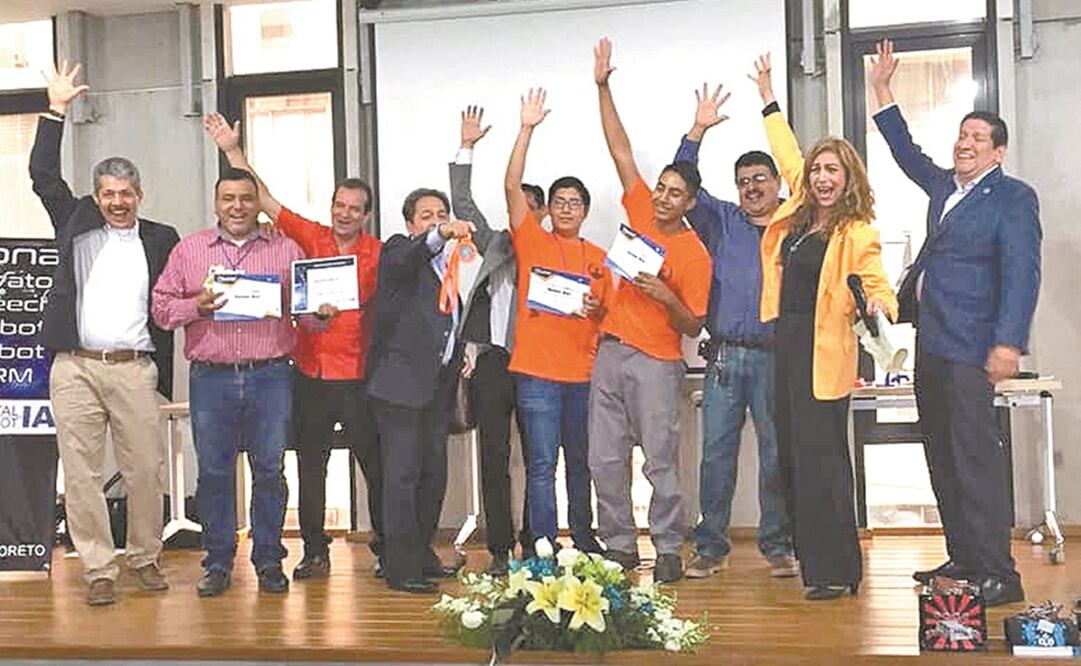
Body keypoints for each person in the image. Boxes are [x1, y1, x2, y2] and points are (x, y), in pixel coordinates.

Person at [868, 40, 1040, 606]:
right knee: (940, 456)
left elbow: (1022, 274)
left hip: (973, 349)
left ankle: (1000, 573)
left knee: (975, 462)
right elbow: (905, 153)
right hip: (933, 347)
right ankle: (964, 556)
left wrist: (1009, 342)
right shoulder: (945, 186)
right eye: (961, 135)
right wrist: (883, 91)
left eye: (976, 139)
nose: (964, 144)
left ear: (998, 152)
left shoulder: (1013, 198)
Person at [203, 112, 385, 581]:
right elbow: (261, 197)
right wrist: (230, 150)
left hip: (359, 374)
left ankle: (387, 547)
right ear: (332, 207)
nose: (345, 213)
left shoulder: (380, 253)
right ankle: (315, 551)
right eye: (339, 205)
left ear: (366, 214)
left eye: (354, 208)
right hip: (308, 371)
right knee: (310, 467)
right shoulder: (310, 236)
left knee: (375, 465)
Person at [29, 61, 179, 607]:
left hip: (134, 367)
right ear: (95, 196)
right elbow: (43, 174)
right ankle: (97, 567)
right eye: (108, 193)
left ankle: (144, 557)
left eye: (127, 192)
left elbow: (177, 296)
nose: (118, 201)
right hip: (74, 366)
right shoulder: (75, 222)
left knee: (145, 469)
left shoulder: (162, 237)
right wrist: (55, 110)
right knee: (82, 471)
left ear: (140, 194)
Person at [751, 53, 897, 600]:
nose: (821, 177)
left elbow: (878, 286)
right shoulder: (798, 208)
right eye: (817, 170)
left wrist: (880, 310)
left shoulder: (858, 231)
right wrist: (767, 96)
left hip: (824, 352)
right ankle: (818, 567)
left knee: (824, 463)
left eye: (832, 170)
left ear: (849, 177)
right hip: (786, 347)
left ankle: (839, 569)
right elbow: (787, 152)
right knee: (792, 460)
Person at [592, 39, 713, 583]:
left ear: (689, 203)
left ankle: (667, 546)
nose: (663, 197)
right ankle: (618, 544)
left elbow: (695, 324)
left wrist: (668, 298)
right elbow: (620, 150)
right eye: (661, 188)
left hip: (659, 363)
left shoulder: (694, 253)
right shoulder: (639, 206)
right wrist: (602, 86)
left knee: (661, 462)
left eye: (674, 193)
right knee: (604, 461)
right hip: (610, 354)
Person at [152, 167, 304, 598]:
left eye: (245, 198)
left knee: (270, 472)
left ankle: (270, 560)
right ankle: (218, 562)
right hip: (211, 380)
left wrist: (320, 312)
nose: (237, 207)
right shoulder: (189, 250)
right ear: (216, 203)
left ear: (258, 203)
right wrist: (196, 305)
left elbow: (306, 315)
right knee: (215, 474)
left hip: (271, 375)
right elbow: (162, 309)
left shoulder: (286, 249)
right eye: (228, 199)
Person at [672, 84, 798, 580]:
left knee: (775, 457)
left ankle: (778, 545)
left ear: (776, 184)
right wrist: (697, 130)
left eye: (760, 179)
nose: (751, 188)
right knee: (716, 456)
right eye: (743, 181)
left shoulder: (795, 220)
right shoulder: (720, 219)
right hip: (724, 357)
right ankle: (710, 546)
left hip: (775, 358)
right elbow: (682, 183)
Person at [504, 89, 609, 558]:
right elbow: (511, 187)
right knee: (542, 465)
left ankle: (584, 541)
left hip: (584, 377)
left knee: (581, 464)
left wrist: (595, 312)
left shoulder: (601, 259)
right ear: (548, 210)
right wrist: (526, 129)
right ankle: (544, 546)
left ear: (585, 211)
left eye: (575, 202)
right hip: (537, 375)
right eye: (559, 201)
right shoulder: (532, 241)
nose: (566, 208)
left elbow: (610, 314)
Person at [365, 189, 474, 594]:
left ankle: (421, 553)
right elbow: (409, 256)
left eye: (441, 214)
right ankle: (399, 566)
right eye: (426, 215)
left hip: (437, 387)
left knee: (434, 477)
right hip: (399, 387)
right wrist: (442, 232)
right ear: (411, 224)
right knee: (403, 478)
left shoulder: (454, 264)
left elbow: (453, 317)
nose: (435, 220)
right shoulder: (399, 251)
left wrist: (464, 351)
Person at [449, 106, 541, 573]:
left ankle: (538, 543)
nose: (517, 215)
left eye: (527, 207)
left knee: (541, 460)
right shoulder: (496, 245)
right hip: (492, 364)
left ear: (540, 213)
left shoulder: (553, 254)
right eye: (513, 207)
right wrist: (466, 145)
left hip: (538, 365)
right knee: (493, 457)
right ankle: (501, 549)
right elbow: (462, 203)